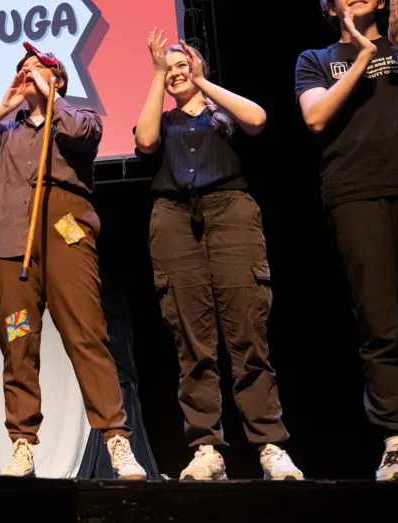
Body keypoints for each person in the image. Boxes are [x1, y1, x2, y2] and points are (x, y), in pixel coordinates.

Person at [0, 42, 146, 479]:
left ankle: (116, 439)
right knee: (18, 341)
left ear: (57, 78)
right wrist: (1, 107)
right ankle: (22, 443)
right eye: (22, 69)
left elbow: (84, 136)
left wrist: (52, 98)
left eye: (37, 68)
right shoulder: (6, 138)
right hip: (11, 247)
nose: (28, 73)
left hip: (65, 236)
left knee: (86, 334)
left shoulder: (75, 120)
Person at [134, 31, 304, 480]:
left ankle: (269, 444)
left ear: (198, 67)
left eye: (181, 65)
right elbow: (146, 140)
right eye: (167, 68)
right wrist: (156, 75)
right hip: (173, 219)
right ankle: (206, 448)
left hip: (230, 212)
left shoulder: (222, 114)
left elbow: (259, 118)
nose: (175, 73)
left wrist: (202, 80)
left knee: (247, 331)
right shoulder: (164, 119)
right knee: (191, 338)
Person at [294, 0, 398, 481]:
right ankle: (395, 442)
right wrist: (364, 56)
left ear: (382, 0)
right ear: (332, 6)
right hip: (356, 194)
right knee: (381, 324)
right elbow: (315, 117)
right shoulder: (317, 59)